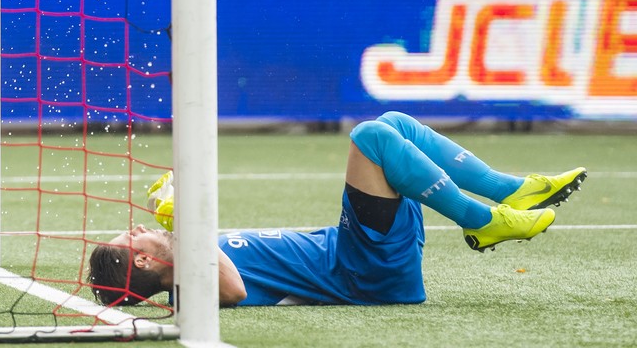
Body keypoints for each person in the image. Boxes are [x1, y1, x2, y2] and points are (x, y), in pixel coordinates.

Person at [89, 112, 586, 307]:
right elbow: (234, 289)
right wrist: (179, 219)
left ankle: (510, 190)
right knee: (370, 138)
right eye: (130, 238)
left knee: (392, 125)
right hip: (363, 270)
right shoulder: (192, 291)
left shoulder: (191, 262)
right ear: (147, 264)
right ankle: (484, 223)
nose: (135, 227)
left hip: (357, 251)